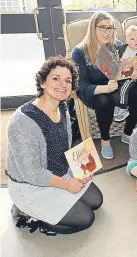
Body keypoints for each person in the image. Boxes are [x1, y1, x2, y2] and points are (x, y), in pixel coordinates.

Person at [6, 57, 103, 235]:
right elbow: (31, 173)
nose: (63, 84)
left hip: (60, 172)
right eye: (56, 78)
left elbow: (64, 148)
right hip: (31, 186)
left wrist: (82, 169)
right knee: (85, 218)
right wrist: (66, 185)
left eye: (68, 80)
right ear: (43, 82)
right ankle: (26, 212)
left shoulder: (64, 108)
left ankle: (58, 199)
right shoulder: (22, 122)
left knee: (97, 201)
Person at [71, 11, 137, 159]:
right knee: (104, 99)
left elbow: (133, 65)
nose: (107, 32)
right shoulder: (79, 52)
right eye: (103, 27)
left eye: (111, 28)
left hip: (118, 87)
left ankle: (127, 132)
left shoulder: (118, 46)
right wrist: (105, 88)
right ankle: (105, 140)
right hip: (96, 91)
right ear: (93, 28)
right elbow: (80, 86)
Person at [113, 25, 137, 122]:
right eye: (132, 39)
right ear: (126, 41)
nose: (136, 41)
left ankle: (122, 108)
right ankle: (117, 105)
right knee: (115, 86)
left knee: (125, 86)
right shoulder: (122, 49)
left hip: (134, 78)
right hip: (120, 75)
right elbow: (116, 58)